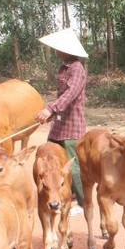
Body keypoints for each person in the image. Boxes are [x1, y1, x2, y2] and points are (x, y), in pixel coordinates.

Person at [36, 28, 88, 217]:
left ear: (67, 50)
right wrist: (52, 113)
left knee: (73, 165)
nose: (56, 51)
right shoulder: (63, 68)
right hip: (59, 123)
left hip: (72, 125)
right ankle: (60, 195)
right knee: (50, 160)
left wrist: (51, 108)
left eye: (58, 48)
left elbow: (71, 93)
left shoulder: (77, 69)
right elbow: (62, 96)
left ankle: (84, 203)